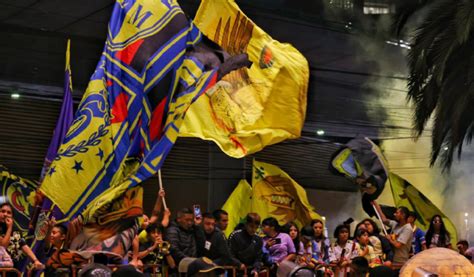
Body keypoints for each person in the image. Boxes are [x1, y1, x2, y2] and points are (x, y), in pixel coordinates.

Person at [0, 202, 44, 270]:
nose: (5, 214)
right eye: (2, 211)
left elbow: (24, 245)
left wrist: (35, 260)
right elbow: (3, 246)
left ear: (12, 216)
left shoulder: (15, 229)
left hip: (14, 268)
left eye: (9, 213)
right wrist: (9, 228)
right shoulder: (9, 227)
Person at [372, 201, 413, 268]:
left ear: (403, 215)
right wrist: (377, 207)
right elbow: (384, 220)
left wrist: (389, 238)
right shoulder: (395, 224)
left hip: (399, 262)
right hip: (391, 260)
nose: (394, 214)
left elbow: (398, 245)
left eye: (397, 213)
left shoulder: (407, 228)